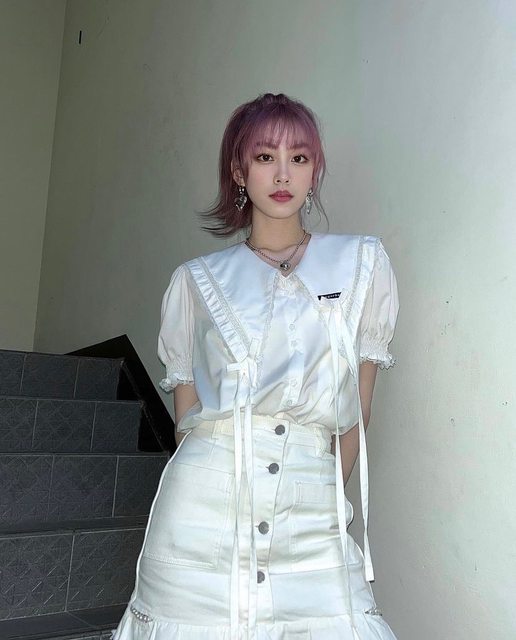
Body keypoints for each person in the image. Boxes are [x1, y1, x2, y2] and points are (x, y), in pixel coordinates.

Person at [113, 92, 400, 640]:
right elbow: (186, 417)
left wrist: (322, 495)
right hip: (202, 512)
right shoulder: (196, 282)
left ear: (315, 170)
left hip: (311, 502)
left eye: (299, 157)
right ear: (239, 171)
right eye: (265, 156)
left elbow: (358, 410)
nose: (283, 173)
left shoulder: (362, 264)